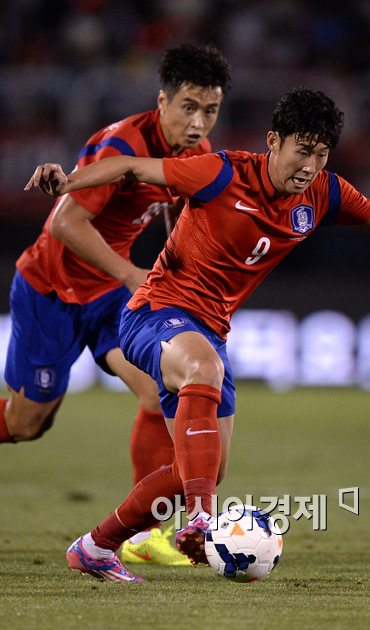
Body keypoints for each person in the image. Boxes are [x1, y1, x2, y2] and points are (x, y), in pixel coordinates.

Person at [26, 87, 370, 583]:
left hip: (210, 331)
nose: (310, 165)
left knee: (199, 470)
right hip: (154, 312)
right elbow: (133, 168)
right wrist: (68, 183)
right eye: (302, 150)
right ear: (274, 140)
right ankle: (203, 520)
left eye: (320, 154)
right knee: (203, 379)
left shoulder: (324, 193)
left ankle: (95, 546)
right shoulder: (222, 173)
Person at [2, 43, 231, 567]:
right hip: (50, 289)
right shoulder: (120, 144)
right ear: (162, 102)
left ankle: (138, 534)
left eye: (210, 111)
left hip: (108, 298)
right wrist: (131, 273)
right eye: (188, 108)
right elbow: (64, 222)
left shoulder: (196, 154)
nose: (198, 123)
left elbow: (183, 216)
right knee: (26, 424)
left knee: (157, 392)